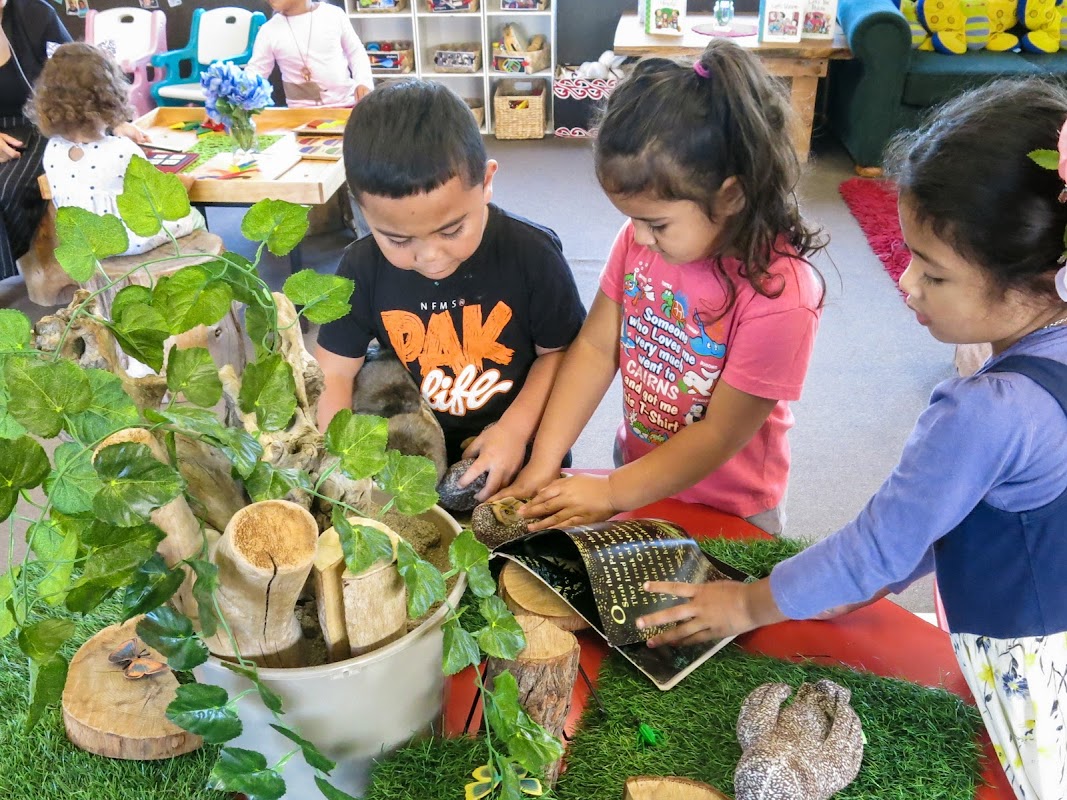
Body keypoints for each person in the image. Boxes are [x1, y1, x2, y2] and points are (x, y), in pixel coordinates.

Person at [636, 78, 1067, 800]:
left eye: (934, 273)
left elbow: (880, 545)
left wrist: (746, 604)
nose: (905, 283)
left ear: (1040, 278)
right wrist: (860, 583)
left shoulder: (987, 411)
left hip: (1025, 660)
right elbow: (946, 518)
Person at [496, 39, 825, 535]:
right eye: (633, 219)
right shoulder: (639, 240)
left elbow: (719, 434)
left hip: (730, 507)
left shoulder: (782, 296)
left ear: (731, 195)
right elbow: (595, 348)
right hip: (636, 468)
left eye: (657, 223)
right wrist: (545, 458)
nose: (640, 237)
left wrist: (611, 492)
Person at [315, 80, 586, 499]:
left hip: (524, 445)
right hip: (415, 453)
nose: (430, 257)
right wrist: (338, 457)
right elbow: (334, 372)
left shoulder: (532, 255)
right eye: (397, 239)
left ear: (487, 181)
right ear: (360, 209)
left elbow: (561, 355)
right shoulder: (361, 267)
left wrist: (514, 431)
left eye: (452, 230)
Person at [27, 43, 202, 256]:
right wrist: (183, 184)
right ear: (110, 98)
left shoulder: (52, 150)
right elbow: (157, 199)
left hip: (84, 242)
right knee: (194, 217)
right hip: (130, 241)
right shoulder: (122, 150)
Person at [0, 0, 69, 282]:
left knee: (7, 190)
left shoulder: (36, 13)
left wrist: (115, 120)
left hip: (42, 123)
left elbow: (78, 73)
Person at [248, 0, 373, 109]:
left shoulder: (334, 15)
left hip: (346, 105)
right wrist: (241, 90)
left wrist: (363, 82)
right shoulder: (268, 30)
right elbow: (257, 70)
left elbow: (356, 52)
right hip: (299, 113)